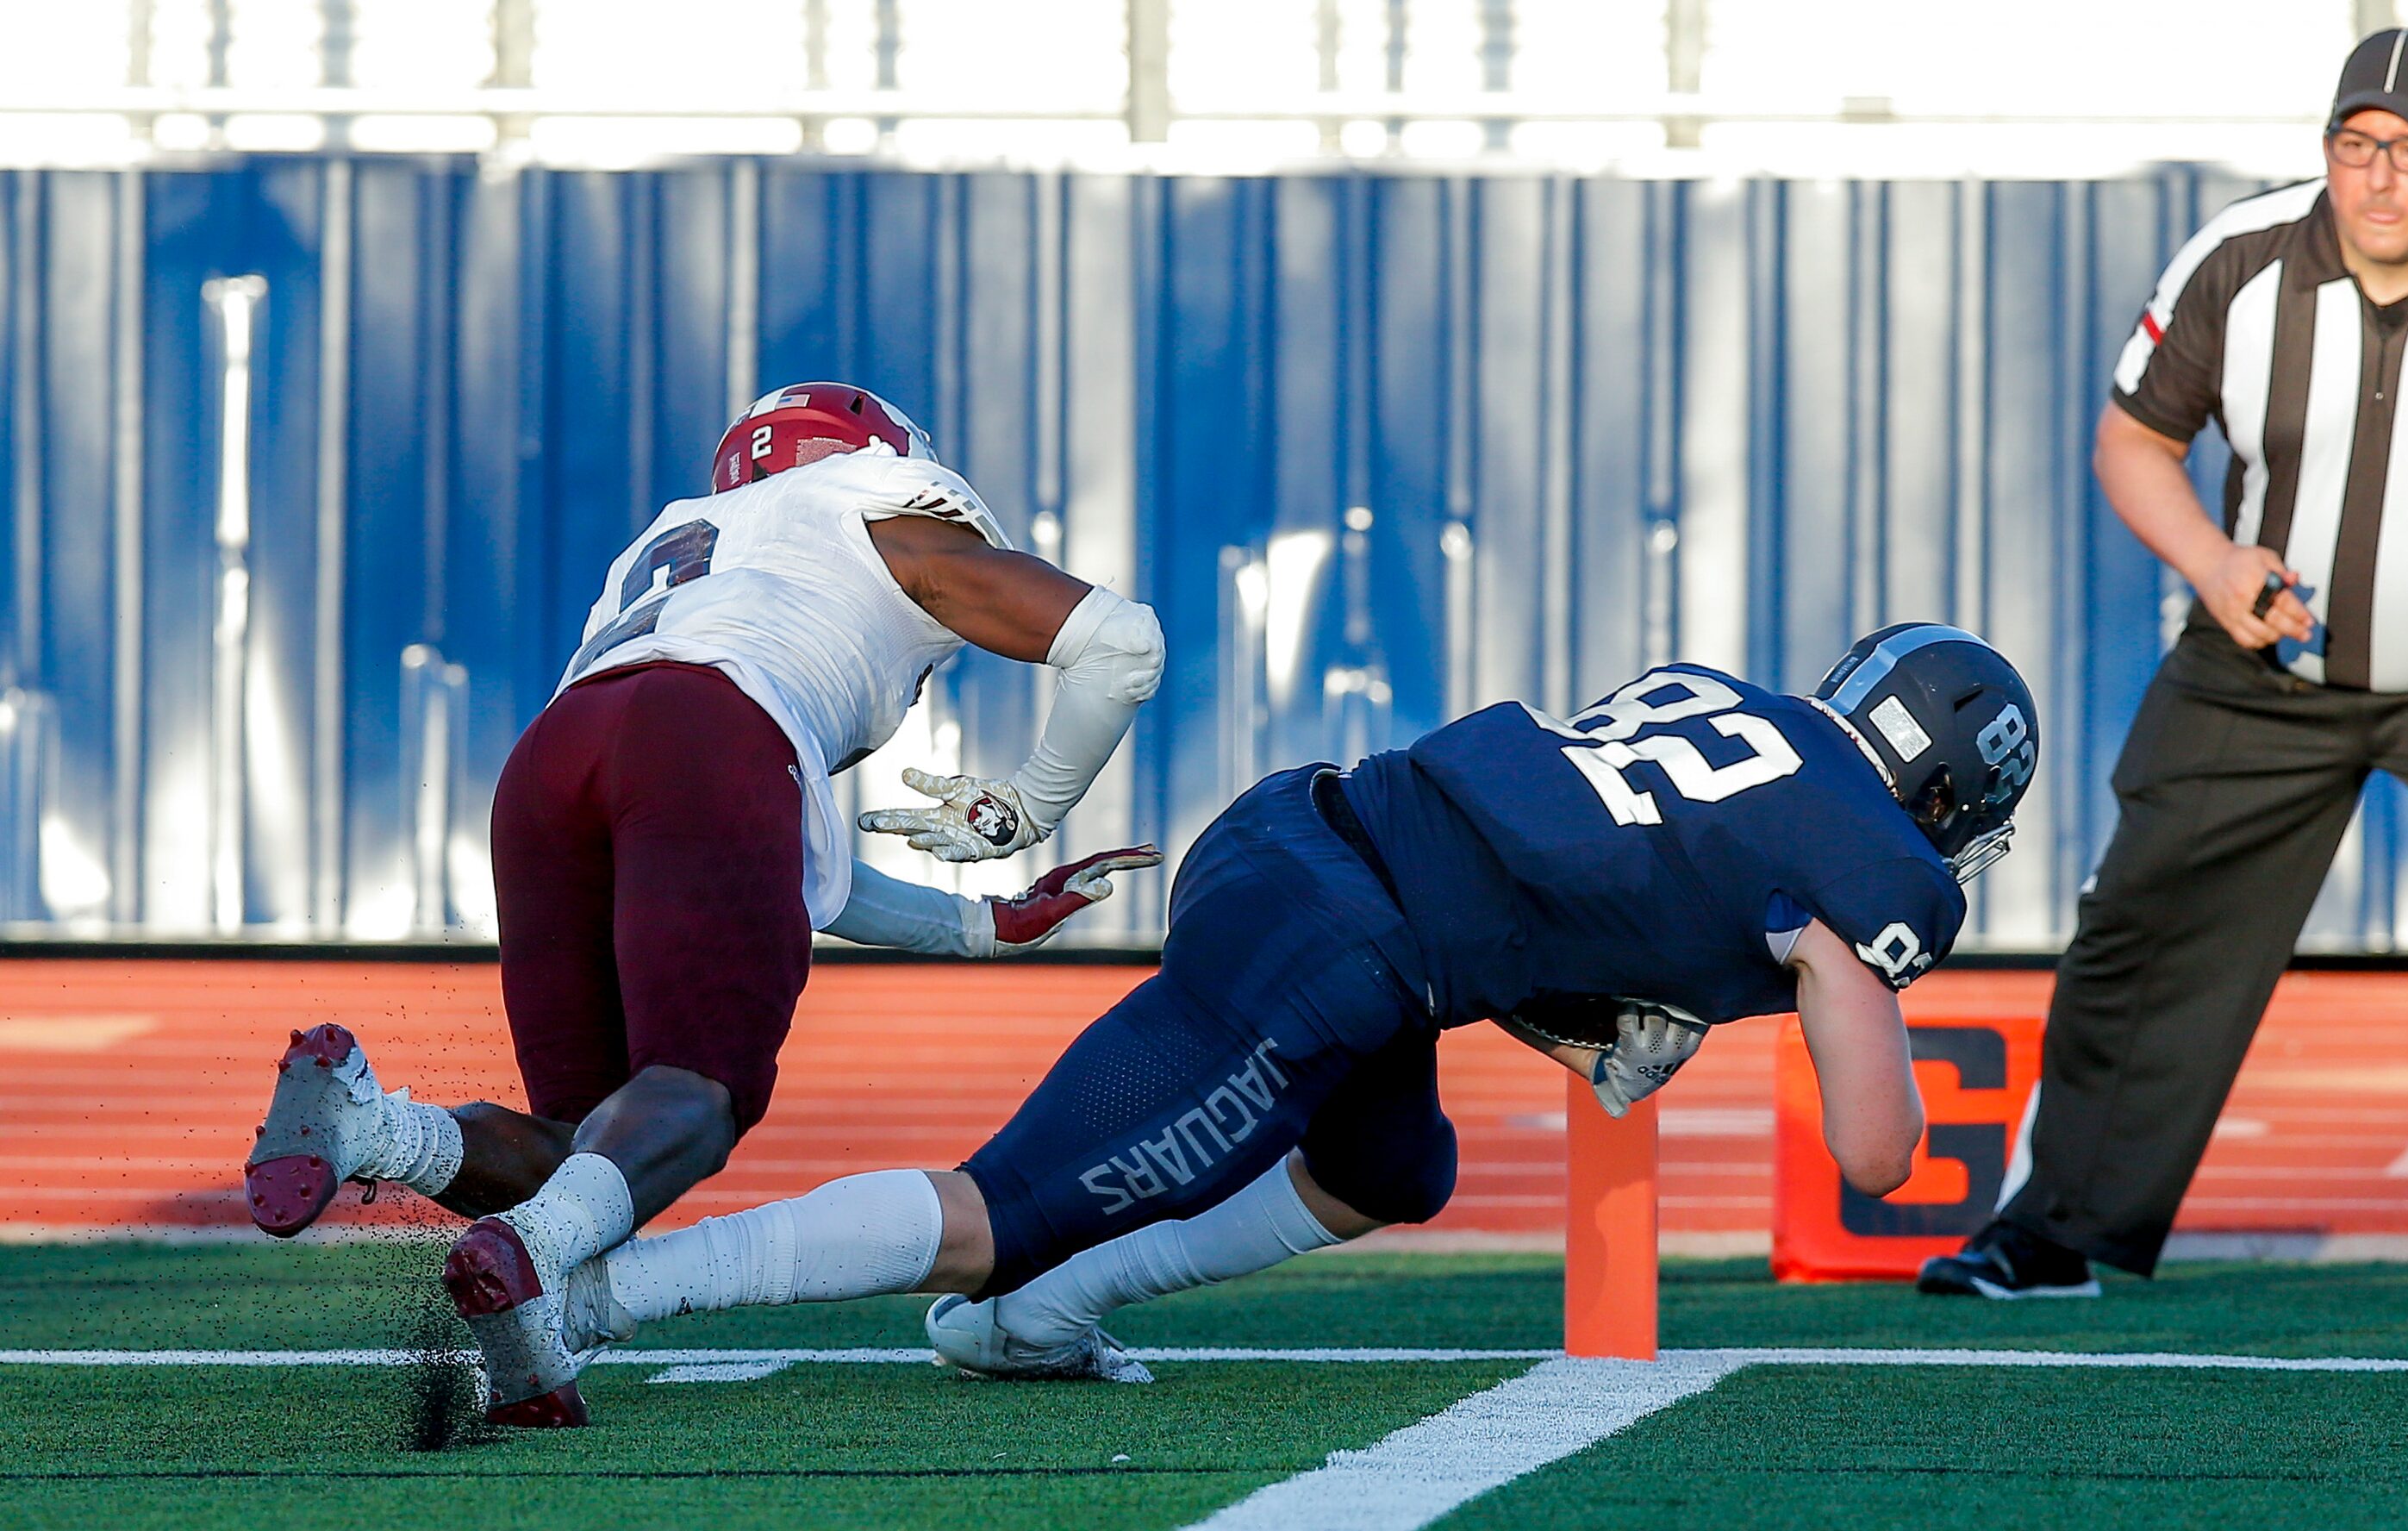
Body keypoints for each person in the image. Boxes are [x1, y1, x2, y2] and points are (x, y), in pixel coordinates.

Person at [477, 624, 2042, 1411]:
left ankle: (1043, 1314)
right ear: (1952, 791)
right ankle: (607, 1301)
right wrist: (1848, 976)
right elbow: (1879, 1148)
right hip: (1343, 940)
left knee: (1391, 1164)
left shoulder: (1727, 695)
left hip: (1304, 833)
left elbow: (1572, 841)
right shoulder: (1880, 860)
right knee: (998, 1207)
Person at [1920, 29, 2408, 1309]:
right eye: (2354, 145)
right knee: (2141, 911)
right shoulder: (2234, 264)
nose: (2376, 179)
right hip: (2262, 654)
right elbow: (2130, 442)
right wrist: (2206, 563)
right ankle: (2053, 1227)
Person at [240, 382, 1165, 1422]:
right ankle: (530, 1255)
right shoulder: (879, 501)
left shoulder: (680, 546)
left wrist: (981, 925)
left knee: (589, 1143)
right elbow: (1122, 644)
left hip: (552, 762)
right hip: (715, 738)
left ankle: (377, 1134)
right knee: (700, 1093)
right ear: (872, 453)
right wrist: (1026, 808)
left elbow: (751, 851)